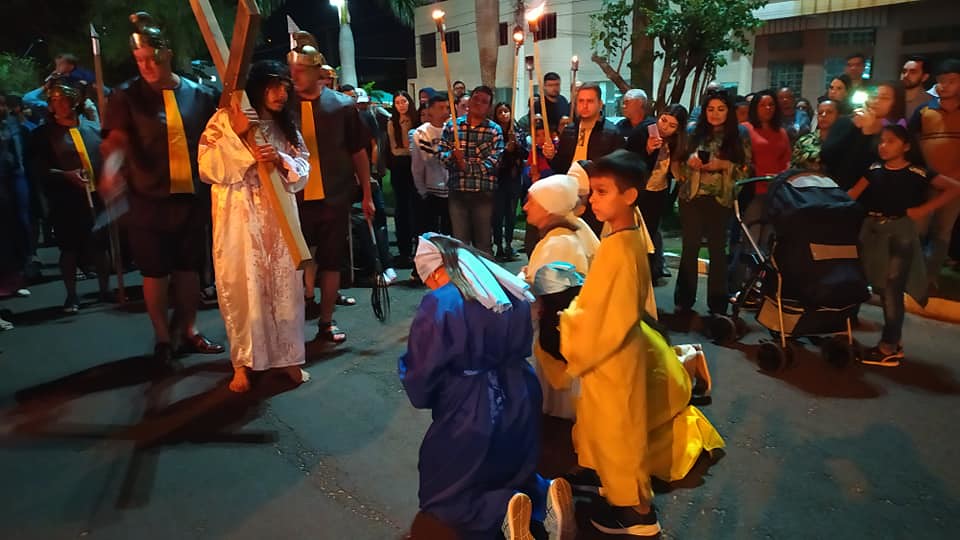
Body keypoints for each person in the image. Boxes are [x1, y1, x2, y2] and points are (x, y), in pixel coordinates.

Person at [559, 151, 724, 536]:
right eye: (592, 192)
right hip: (613, 356)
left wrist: (569, 325)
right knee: (606, 427)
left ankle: (635, 512)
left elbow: (608, 318)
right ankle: (609, 487)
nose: (593, 200)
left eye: (602, 192)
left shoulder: (620, 248)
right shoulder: (624, 232)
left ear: (630, 195)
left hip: (612, 358)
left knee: (620, 433)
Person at [400, 232, 577, 540]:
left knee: (446, 491)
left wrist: (426, 392)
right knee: (513, 466)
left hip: (472, 401)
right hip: (521, 390)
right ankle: (543, 497)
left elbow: (422, 368)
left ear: (439, 270)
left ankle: (501, 512)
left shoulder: (440, 302)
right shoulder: (507, 287)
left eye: (428, 277)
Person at [99, 12, 224, 365]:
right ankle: (161, 338)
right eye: (139, 60)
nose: (146, 66)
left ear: (166, 54)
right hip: (148, 199)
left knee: (188, 268)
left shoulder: (199, 94)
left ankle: (188, 329)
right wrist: (110, 172)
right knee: (155, 270)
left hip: (191, 198)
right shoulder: (127, 97)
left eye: (152, 58)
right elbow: (116, 142)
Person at [196, 60, 310, 391]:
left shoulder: (285, 126)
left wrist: (280, 159)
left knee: (283, 286)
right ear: (257, 87)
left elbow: (303, 167)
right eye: (274, 86)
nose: (281, 94)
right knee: (243, 288)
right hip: (239, 219)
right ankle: (244, 363)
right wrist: (240, 138)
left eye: (285, 87)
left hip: (278, 222)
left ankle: (289, 357)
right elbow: (207, 165)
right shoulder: (225, 120)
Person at [287, 31, 375, 344]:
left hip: (333, 197)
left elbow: (358, 152)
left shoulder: (341, 106)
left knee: (331, 260)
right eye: (293, 71)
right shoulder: (282, 106)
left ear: (317, 72)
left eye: (301, 71)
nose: (295, 76)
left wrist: (366, 193)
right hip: (293, 199)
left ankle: (326, 321)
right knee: (293, 264)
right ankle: (290, 327)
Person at [847, 125, 960, 366]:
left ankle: (888, 346)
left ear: (906, 146)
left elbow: (954, 188)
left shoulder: (918, 172)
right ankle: (892, 341)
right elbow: (852, 195)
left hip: (901, 233)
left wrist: (923, 210)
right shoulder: (874, 169)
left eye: (890, 141)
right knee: (874, 283)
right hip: (873, 232)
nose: (883, 145)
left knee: (892, 290)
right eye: (882, 141)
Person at [26, 78, 110, 313]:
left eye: (63, 99)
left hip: (96, 196)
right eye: (54, 100)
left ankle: (106, 289)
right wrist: (66, 175)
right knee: (69, 248)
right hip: (65, 200)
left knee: (101, 245)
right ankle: (71, 295)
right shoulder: (43, 136)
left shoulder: (93, 128)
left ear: (74, 101)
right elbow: (38, 169)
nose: (59, 104)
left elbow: (105, 158)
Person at [522, 174, 598, 419]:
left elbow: (544, 291)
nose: (524, 207)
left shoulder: (559, 243)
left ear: (548, 206)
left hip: (559, 331)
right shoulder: (563, 236)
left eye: (530, 201)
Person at [675, 89, 752, 320]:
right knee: (690, 248)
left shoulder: (739, 134)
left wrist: (722, 164)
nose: (715, 114)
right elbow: (677, 162)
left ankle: (718, 303)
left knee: (718, 251)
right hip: (692, 196)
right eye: (710, 109)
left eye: (720, 109)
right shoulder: (692, 131)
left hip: (721, 198)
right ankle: (684, 300)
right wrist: (689, 162)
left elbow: (746, 169)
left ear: (728, 111)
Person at [545, 82, 624, 235]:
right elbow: (561, 167)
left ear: (600, 104)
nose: (585, 106)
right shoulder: (569, 131)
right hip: (571, 194)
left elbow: (616, 170)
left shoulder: (612, 133)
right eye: (581, 101)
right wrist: (551, 156)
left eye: (590, 101)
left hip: (596, 196)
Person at [911, 59, 960, 289]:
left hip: (956, 184)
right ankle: (914, 275)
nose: (945, 86)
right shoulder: (924, 111)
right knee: (919, 230)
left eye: (951, 81)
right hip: (927, 180)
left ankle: (930, 277)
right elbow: (910, 142)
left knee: (943, 231)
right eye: (941, 82)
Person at [438, 86, 504, 254]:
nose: (478, 103)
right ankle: (464, 278)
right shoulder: (452, 127)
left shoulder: (494, 130)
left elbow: (493, 163)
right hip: (458, 192)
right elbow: (441, 155)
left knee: (483, 244)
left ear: (489, 107)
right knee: (460, 244)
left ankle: (486, 278)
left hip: (483, 194)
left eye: (484, 102)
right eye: (476, 98)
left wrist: (466, 166)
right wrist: (453, 156)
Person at [626, 104, 689, 281]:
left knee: (651, 235)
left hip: (658, 192)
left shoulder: (676, 141)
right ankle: (632, 275)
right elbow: (629, 159)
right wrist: (647, 149)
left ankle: (648, 275)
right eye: (664, 120)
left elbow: (674, 169)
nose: (665, 127)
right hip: (639, 191)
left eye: (672, 125)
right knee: (635, 234)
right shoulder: (645, 131)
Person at [822, 80, 906, 191]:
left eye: (884, 98)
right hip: (840, 190)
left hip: (878, 192)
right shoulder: (846, 122)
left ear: (895, 102)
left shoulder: (896, 130)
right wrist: (860, 131)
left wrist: (868, 134)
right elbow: (827, 156)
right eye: (873, 96)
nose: (876, 101)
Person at [411, 94, 451, 237]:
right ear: (431, 110)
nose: (446, 111)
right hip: (432, 190)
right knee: (431, 233)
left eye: (447, 107)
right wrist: (422, 190)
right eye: (441, 108)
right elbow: (418, 165)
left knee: (450, 232)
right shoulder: (422, 133)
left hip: (452, 190)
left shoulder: (452, 130)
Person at [387, 91, 419, 266]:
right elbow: (395, 149)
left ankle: (418, 248)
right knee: (402, 209)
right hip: (400, 168)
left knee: (416, 207)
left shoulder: (416, 121)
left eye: (404, 101)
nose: (401, 105)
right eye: (397, 102)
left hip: (415, 166)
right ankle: (404, 250)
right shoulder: (392, 122)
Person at [492, 102, 524, 261]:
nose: (504, 114)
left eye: (507, 111)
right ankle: (497, 245)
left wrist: (516, 144)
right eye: (500, 112)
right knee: (498, 214)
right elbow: (495, 156)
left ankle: (509, 243)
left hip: (514, 178)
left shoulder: (517, 131)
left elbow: (524, 153)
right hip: (499, 179)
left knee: (511, 213)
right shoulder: (494, 132)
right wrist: (507, 148)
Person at [791, 99, 840, 171]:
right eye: (820, 113)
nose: (823, 115)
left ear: (838, 116)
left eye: (829, 112)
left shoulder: (844, 140)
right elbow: (793, 169)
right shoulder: (804, 141)